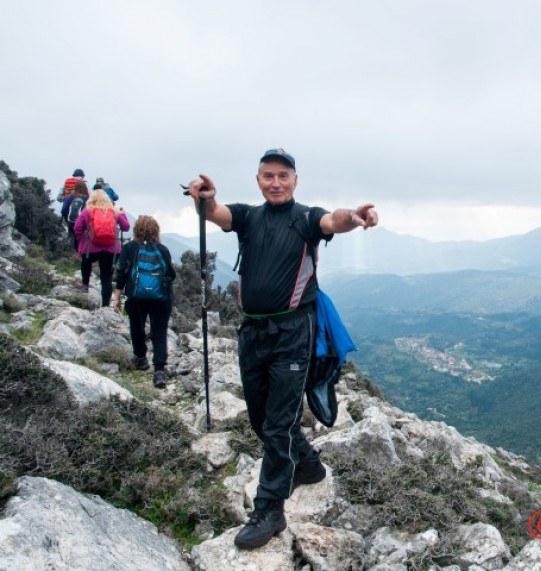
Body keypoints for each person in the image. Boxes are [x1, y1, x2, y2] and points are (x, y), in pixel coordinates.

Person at [184, 147, 378, 550]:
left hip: (293, 331)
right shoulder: (248, 217)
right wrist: (204, 197)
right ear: (258, 180)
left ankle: (269, 509)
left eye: (283, 176)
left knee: (276, 422)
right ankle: (306, 464)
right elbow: (215, 213)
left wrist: (354, 218)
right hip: (252, 332)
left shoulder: (306, 218)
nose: (275, 182)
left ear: (294, 180)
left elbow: (333, 220)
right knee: (261, 418)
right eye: (268, 176)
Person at [113, 215, 175, 388]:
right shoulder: (162, 249)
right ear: (156, 231)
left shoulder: (130, 247)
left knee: (136, 326)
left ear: (136, 230)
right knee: (159, 332)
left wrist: (117, 295)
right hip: (161, 297)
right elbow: (171, 274)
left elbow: (122, 272)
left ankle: (141, 359)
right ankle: (160, 371)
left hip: (136, 296)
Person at [74, 188, 130, 306]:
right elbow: (126, 227)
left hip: (91, 248)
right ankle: (105, 305)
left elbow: (77, 228)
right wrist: (123, 215)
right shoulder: (114, 212)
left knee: (86, 262)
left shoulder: (87, 211)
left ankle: (85, 284)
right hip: (110, 249)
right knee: (106, 277)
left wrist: (81, 242)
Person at [60, 180, 89, 251]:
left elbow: (63, 210)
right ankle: (81, 255)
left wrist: (67, 219)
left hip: (71, 222)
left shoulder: (70, 197)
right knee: (82, 241)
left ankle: (71, 256)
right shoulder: (88, 199)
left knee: (71, 238)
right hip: (83, 223)